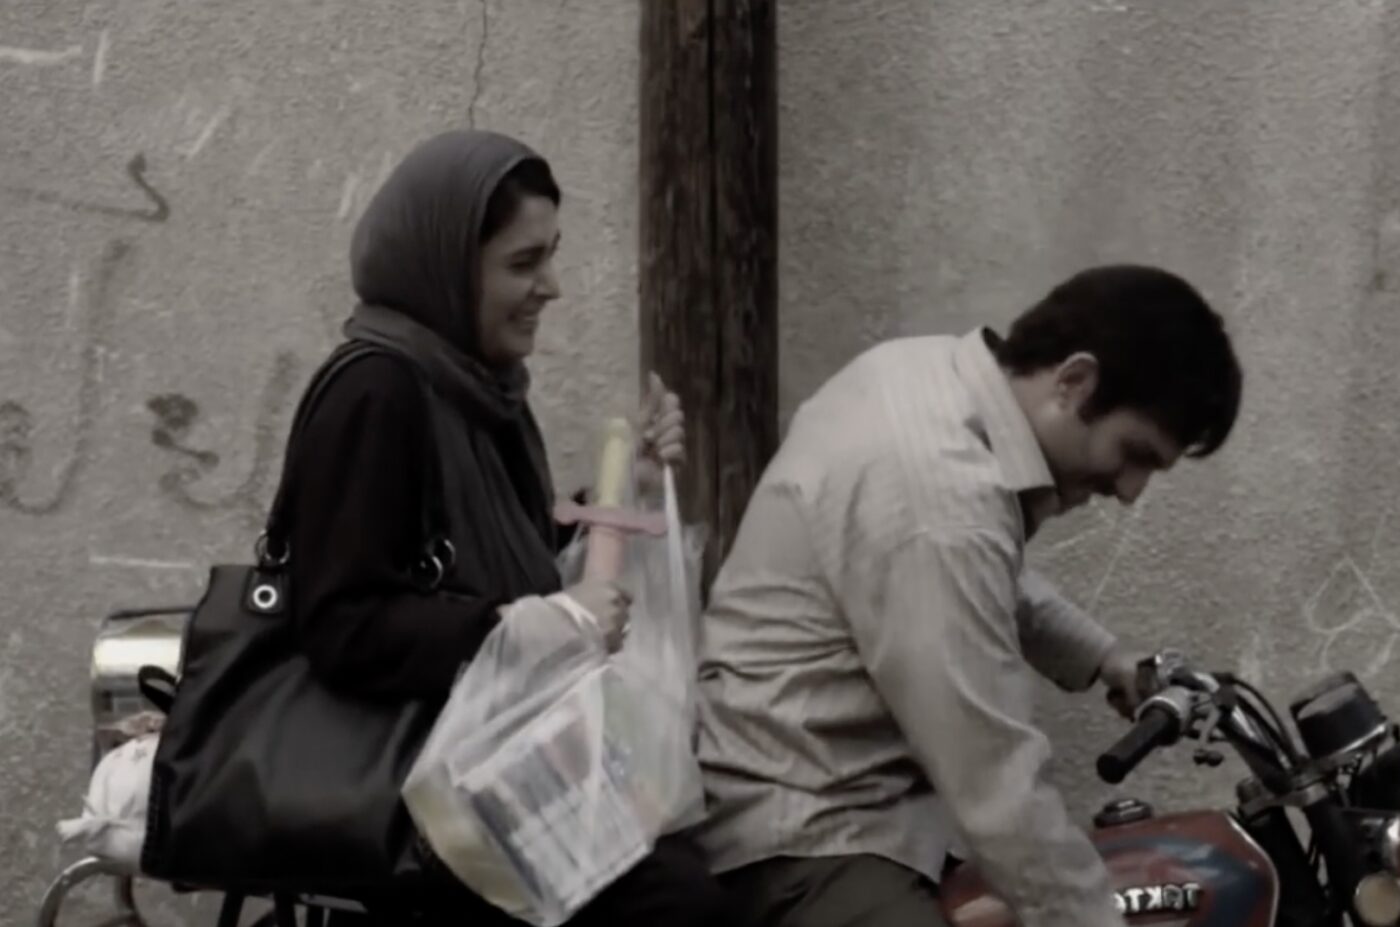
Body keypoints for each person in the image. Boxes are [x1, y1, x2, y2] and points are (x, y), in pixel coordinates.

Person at [694, 265, 1243, 927]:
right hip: (805, 833)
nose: (1130, 490)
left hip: (849, 801)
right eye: (1135, 453)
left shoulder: (928, 379)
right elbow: (994, 776)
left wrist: (1105, 657)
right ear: (1074, 382)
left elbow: (982, 574)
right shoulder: (941, 496)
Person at [279, 129, 730, 926]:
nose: (550, 286)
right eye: (523, 264)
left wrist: (626, 493)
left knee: (696, 851)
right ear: (448, 266)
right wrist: (520, 626)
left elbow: (521, 575)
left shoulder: (483, 396)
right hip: (417, 809)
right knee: (674, 902)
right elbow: (343, 619)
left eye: (550, 255)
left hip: (489, 770)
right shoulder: (378, 392)